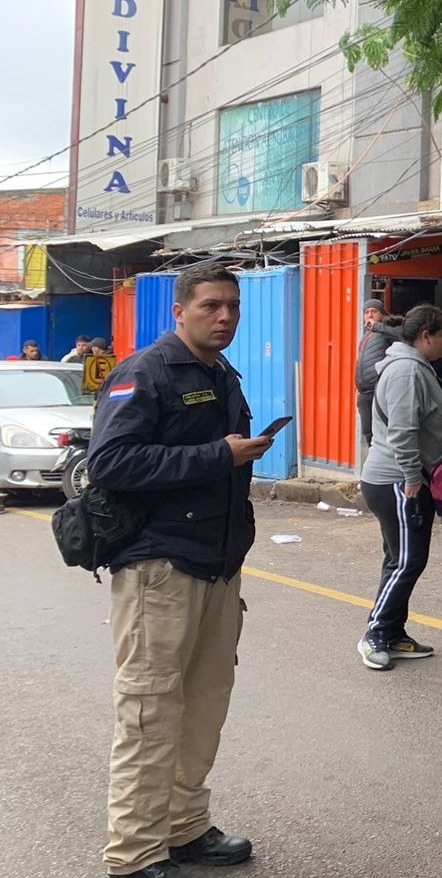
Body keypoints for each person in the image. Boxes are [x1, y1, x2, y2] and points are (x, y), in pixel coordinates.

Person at [86, 263, 272, 878]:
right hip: (159, 570)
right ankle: (134, 854)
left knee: (204, 705)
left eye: (233, 307)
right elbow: (110, 462)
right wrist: (218, 454)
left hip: (217, 567)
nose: (225, 317)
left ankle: (183, 827)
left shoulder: (221, 373)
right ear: (180, 311)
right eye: (211, 306)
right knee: (150, 711)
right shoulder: (147, 372)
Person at [356, 304, 442, 672]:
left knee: (399, 558)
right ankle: (376, 634)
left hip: (404, 479)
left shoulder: (415, 368)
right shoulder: (405, 371)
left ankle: (394, 633)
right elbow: (402, 431)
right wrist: (413, 478)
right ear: (425, 336)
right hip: (398, 481)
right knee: (408, 560)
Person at [355, 299, 399, 448]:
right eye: (366, 312)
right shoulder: (365, 336)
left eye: (374, 311)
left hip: (378, 391)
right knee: (368, 432)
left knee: (381, 432)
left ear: (382, 314)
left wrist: (379, 327)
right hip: (364, 393)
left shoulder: (386, 330)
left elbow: (402, 336)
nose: (370, 315)